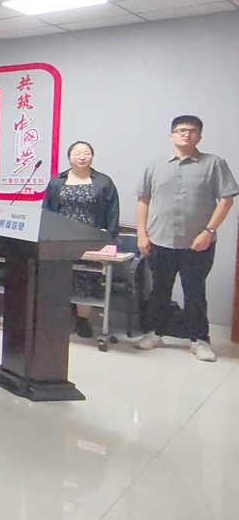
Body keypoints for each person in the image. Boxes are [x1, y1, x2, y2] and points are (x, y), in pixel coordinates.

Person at [134, 116, 237, 361]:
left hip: (197, 243)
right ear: (171, 136)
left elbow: (226, 200)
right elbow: (143, 200)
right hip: (159, 240)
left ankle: (199, 340)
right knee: (159, 290)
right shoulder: (156, 166)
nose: (186, 134)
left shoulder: (214, 164)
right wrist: (141, 234)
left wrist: (208, 232)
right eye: (180, 130)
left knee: (195, 292)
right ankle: (155, 333)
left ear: (200, 136)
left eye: (192, 131)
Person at [41, 141, 121, 339]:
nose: (82, 157)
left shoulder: (104, 182)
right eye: (77, 153)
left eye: (86, 153)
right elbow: (47, 211)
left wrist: (108, 239)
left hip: (91, 239)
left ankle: (83, 320)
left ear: (92, 156)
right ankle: (62, 317)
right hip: (61, 239)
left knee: (87, 278)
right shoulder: (57, 181)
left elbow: (112, 213)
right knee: (61, 277)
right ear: (69, 158)